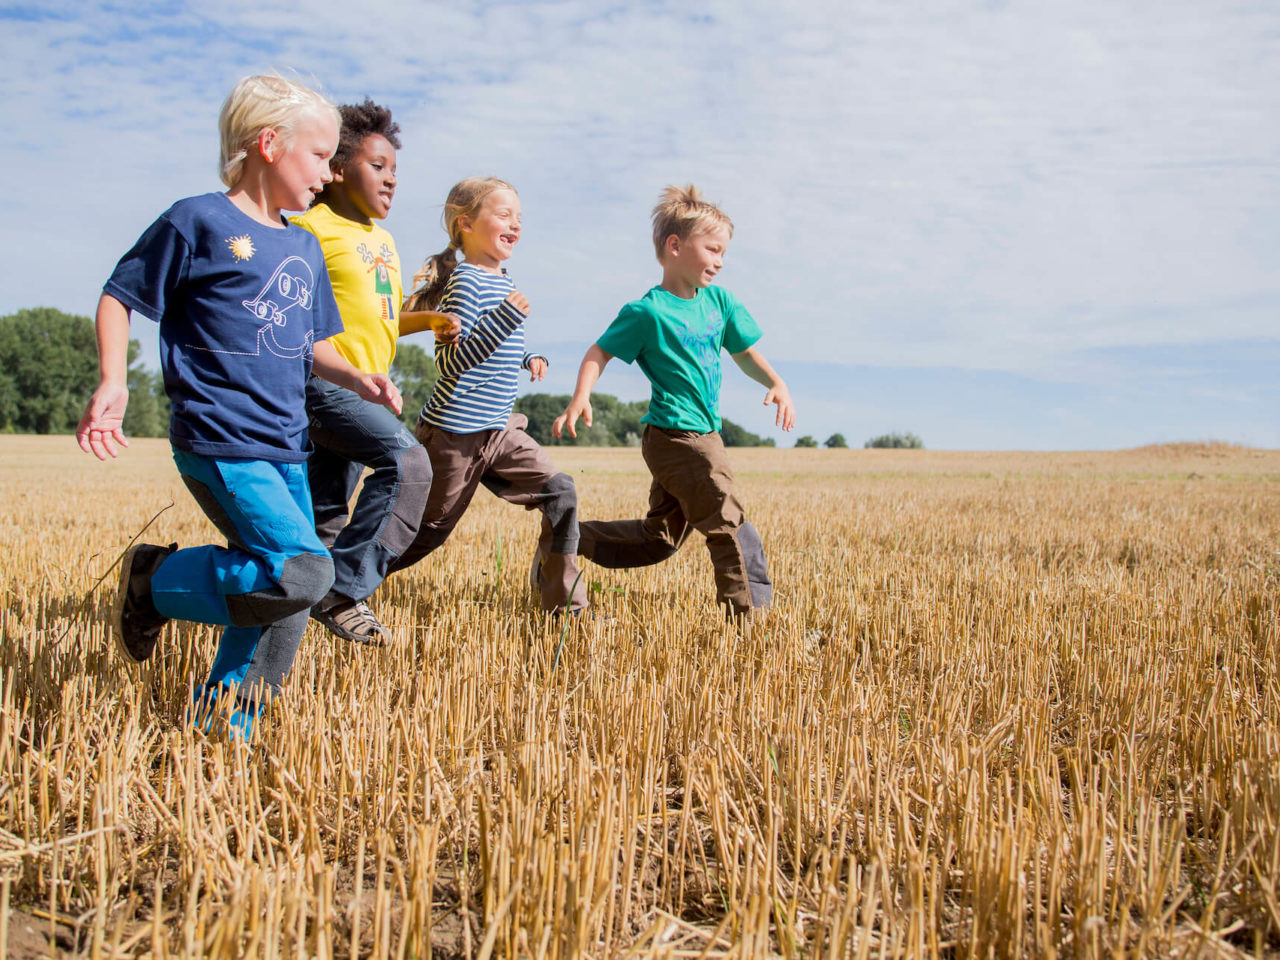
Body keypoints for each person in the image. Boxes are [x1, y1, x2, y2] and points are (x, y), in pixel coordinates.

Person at [75, 75, 403, 740]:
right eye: (320, 156)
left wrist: (361, 376)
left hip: (286, 444)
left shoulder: (303, 245)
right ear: (269, 144)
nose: (328, 171)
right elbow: (120, 295)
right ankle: (157, 580)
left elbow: (308, 343)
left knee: (285, 590)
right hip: (219, 441)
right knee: (303, 572)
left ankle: (225, 727)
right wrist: (114, 380)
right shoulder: (197, 221)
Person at [552, 184, 795, 620]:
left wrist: (775, 381)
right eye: (713, 249)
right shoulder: (648, 312)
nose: (720, 261)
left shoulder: (720, 302)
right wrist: (580, 397)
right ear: (675, 245)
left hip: (707, 434)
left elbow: (744, 352)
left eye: (724, 253)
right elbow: (599, 351)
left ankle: (564, 541)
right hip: (675, 437)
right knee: (730, 524)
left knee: (659, 538)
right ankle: (753, 622)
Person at [291, 100, 460, 645]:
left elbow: (378, 318)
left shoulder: (382, 241)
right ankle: (344, 592)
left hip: (369, 388)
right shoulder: (308, 231)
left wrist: (427, 318)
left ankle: (294, 619)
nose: (391, 180)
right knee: (408, 464)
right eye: (378, 166)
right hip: (323, 387)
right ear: (335, 170)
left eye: (395, 171)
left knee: (320, 525)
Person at [387, 177, 588, 615]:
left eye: (519, 218)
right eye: (503, 214)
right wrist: (506, 317)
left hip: (499, 427)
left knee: (561, 493)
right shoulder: (465, 281)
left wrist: (529, 355)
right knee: (428, 532)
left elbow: (502, 345)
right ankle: (339, 584)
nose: (515, 224)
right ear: (466, 223)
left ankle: (564, 607)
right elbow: (452, 363)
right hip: (455, 433)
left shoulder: (503, 279)